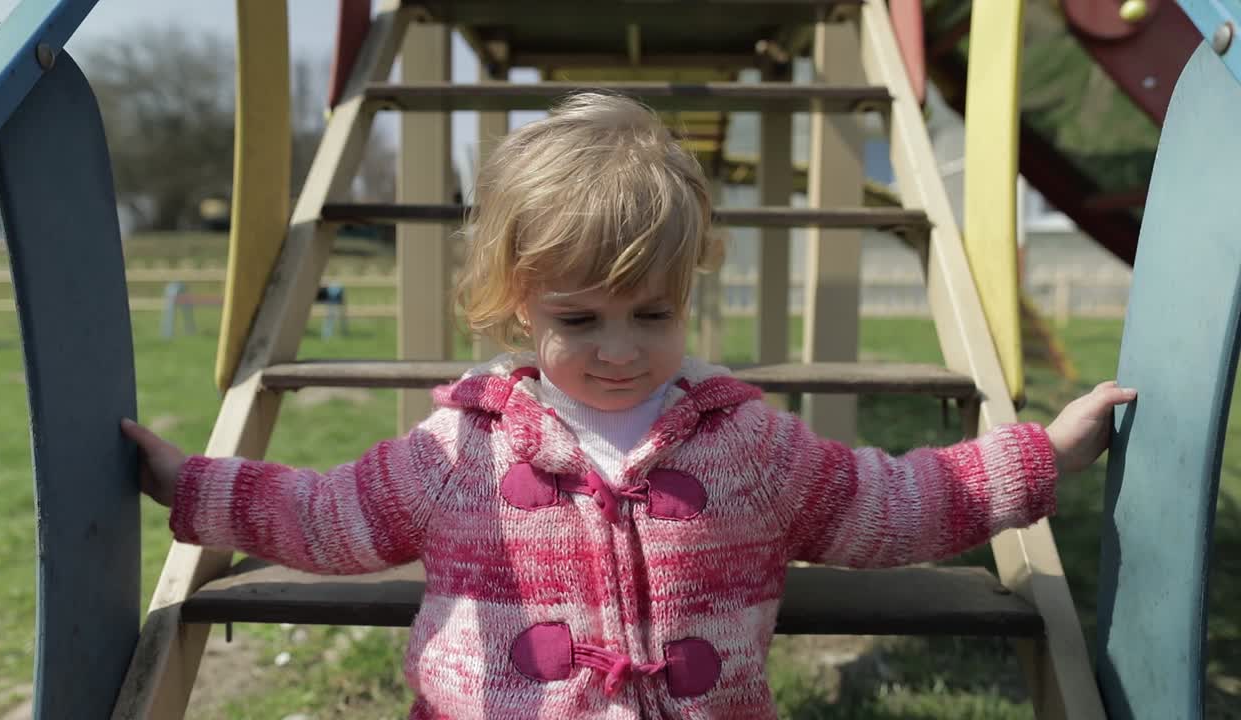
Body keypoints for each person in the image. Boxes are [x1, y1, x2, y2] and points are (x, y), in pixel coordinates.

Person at [122, 92, 1135, 719]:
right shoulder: (456, 451)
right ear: (520, 306)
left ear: (689, 290)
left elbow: (894, 502)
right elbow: (325, 519)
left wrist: (1042, 456)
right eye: (580, 319)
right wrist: (198, 487)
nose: (619, 350)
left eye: (652, 314)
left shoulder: (746, 446)